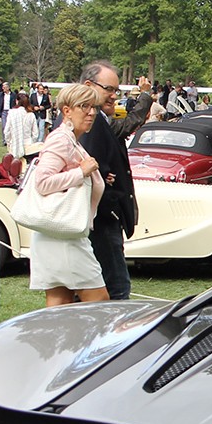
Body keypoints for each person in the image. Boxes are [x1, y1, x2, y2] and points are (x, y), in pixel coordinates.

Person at [26, 82, 110, 308]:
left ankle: (57, 344)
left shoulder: (70, 139)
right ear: (67, 110)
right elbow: (42, 182)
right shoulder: (61, 139)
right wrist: (81, 172)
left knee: (60, 302)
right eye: (84, 106)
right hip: (64, 236)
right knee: (99, 303)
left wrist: (93, 177)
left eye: (93, 107)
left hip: (58, 234)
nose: (91, 112)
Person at [77, 60, 136, 300]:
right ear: (89, 85)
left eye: (116, 90)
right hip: (99, 220)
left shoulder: (97, 119)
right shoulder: (92, 122)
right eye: (108, 89)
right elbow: (85, 169)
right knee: (116, 290)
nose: (114, 96)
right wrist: (105, 184)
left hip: (99, 217)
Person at [3, 93, 40, 160]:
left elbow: (7, 131)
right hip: (28, 145)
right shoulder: (31, 115)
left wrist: (9, 142)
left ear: (17, 101)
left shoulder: (12, 113)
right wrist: (32, 141)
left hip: (14, 144)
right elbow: (35, 134)